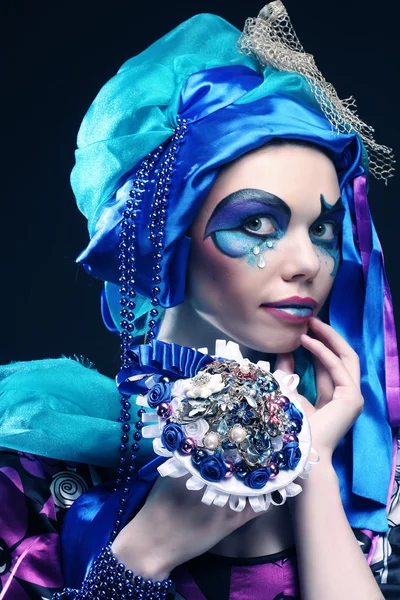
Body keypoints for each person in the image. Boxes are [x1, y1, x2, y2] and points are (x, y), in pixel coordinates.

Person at [0, 2, 399, 599]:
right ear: (165, 242)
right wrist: (149, 547)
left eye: (322, 229)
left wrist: (310, 467)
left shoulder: (377, 471)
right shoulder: (35, 466)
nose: (308, 262)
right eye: (259, 223)